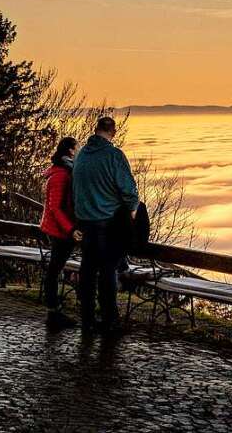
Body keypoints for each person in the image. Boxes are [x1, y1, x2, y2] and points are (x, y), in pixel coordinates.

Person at [72, 116, 139, 335]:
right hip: (107, 222)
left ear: (96, 129)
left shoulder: (81, 155)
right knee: (108, 270)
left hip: (84, 222)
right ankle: (109, 320)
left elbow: (75, 189)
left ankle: (87, 319)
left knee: (88, 270)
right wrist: (131, 210)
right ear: (113, 132)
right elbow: (128, 190)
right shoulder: (114, 155)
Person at [39, 136, 81, 330]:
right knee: (54, 269)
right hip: (59, 231)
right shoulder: (61, 175)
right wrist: (71, 229)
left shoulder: (63, 171)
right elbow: (55, 208)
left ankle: (55, 310)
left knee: (56, 268)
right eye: (77, 148)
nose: (79, 151)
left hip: (59, 229)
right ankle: (53, 311)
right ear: (71, 151)